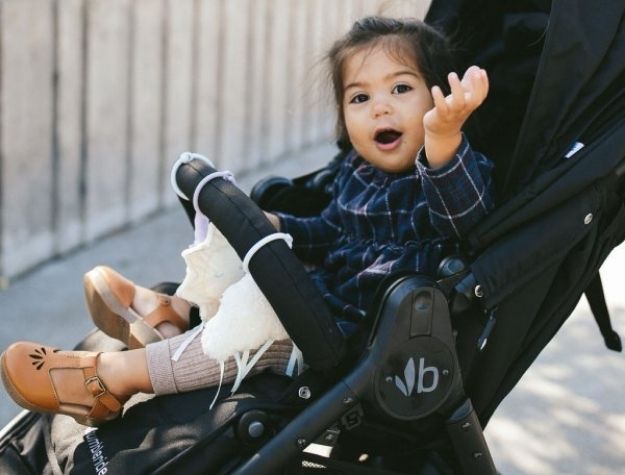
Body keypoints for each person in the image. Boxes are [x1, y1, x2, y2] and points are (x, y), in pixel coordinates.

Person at [0, 16, 494, 427]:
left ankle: (112, 379)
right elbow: (331, 232)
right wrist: (277, 223)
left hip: (346, 339)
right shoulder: (356, 171)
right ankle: (177, 311)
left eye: (401, 88)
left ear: (436, 98)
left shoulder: (444, 174)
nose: (379, 106)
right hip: (312, 299)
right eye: (359, 98)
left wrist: (444, 137)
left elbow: (466, 218)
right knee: (244, 249)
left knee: (250, 325)